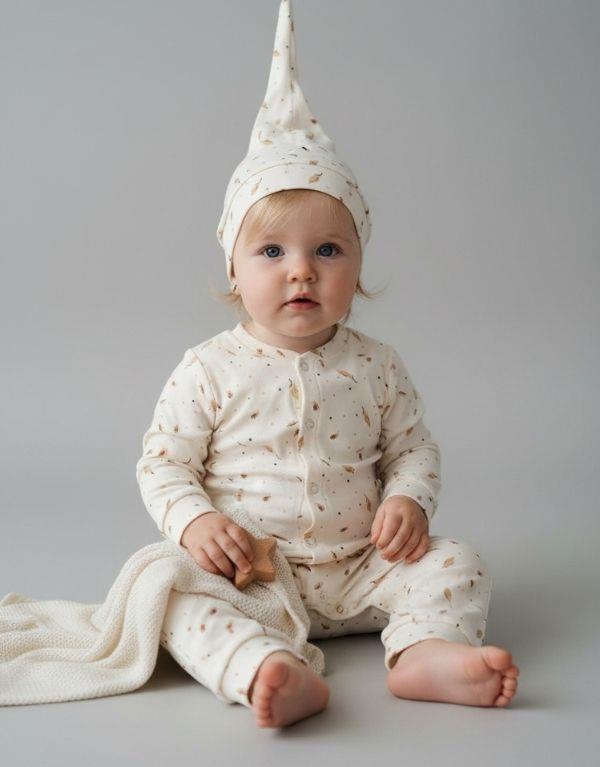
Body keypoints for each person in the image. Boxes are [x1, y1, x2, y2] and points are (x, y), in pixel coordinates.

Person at [135, 0, 519, 728]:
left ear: (358, 265)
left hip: (363, 569)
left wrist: (409, 501)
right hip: (252, 576)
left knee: (458, 561)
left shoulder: (376, 366)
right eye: (271, 251)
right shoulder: (209, 368)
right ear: (234, 267)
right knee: (170, 598)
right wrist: (193, 524)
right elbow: (163, 464)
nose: (301, 271)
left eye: (328, 250)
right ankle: (265, 668)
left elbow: (413, 448)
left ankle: (425, 653)